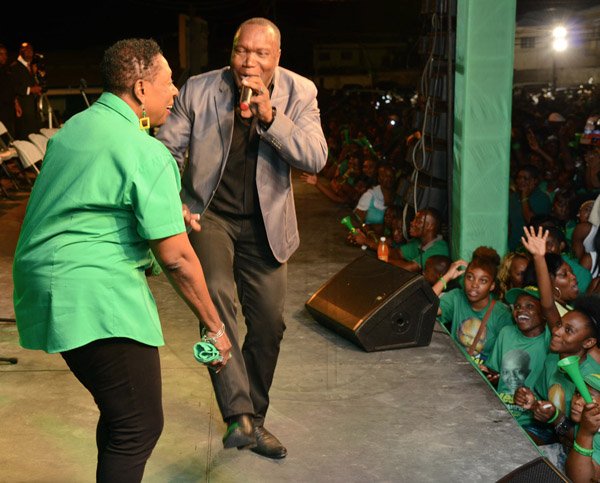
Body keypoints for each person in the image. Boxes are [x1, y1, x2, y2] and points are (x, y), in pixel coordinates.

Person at [12, 38, 231, 483]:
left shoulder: (74, 129)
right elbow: (177, 260)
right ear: (140, 87)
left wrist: (168, 214)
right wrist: (215, 325)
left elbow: (87, 204)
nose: (175, 94)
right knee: (138, 425)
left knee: (119, 416)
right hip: (94, 293)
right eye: (169, 84)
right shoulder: (145, 150)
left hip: (45, 282)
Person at [156, 17, 327, 459]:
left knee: (270, 325)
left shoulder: (300, 92)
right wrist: (171, 197)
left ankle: (255, 420)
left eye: (260, 53)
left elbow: (316, 157)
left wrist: (272, 117)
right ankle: (237, 414)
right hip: (210, 214)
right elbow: (166, 150)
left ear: (277, 57)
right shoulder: (199, 89)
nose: (248, 61)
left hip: (266, 225)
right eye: (240, 50)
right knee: (216, 298)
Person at [434, 246, 513, 365]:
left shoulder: (501, 315)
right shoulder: (456, 298)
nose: (474, 285)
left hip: (482, 379)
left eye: (483, 281)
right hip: (453, 368)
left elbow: (506, 357)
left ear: (492, 286)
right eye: (470, 277)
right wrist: (446, 277)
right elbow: (425, 308)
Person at [10, 42, 42, 138]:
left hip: (33, 107)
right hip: (22, 107)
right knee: (24, 134)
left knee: (34, 133)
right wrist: (30, 90)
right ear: (21, 52)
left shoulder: (31, 67)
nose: (30, 53)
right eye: (27, 50)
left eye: (31, 50)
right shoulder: (14, 67)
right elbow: (13, 86)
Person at [0, 44, 20, 138]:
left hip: (9, 109)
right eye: (1, 54)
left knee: (10, 134)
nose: (4, 56)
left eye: (5, 54)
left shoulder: (8, 70)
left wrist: (16, 104)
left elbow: (12, 89)